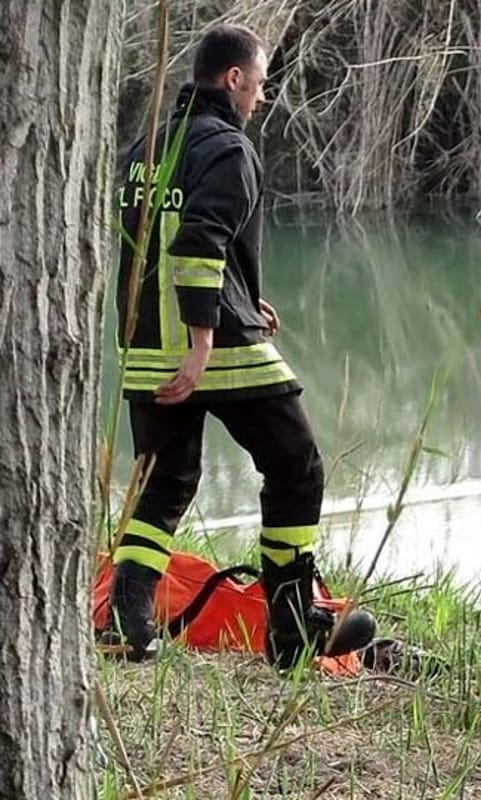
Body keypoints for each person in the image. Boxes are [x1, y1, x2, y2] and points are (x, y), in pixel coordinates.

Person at [104, 24, 375, 667]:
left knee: (164, 478)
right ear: (233, 80)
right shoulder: (228, 148)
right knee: (297, 464)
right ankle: (292, 620)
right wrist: (203, 340)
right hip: (212, 347)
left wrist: (243, 299)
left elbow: (159, 240)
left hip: (144, 342)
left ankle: (126, 614)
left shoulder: (148, 146)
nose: (259, 100)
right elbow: (197, 246)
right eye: (257, 86)